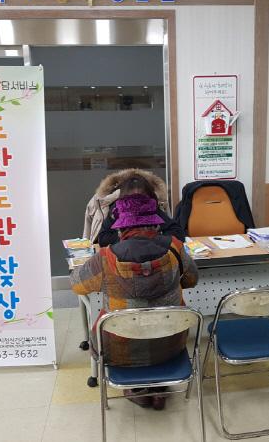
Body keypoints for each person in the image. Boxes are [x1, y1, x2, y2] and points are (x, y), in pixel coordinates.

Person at [71, 189, 198, 410]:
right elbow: (192, 280)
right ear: (155, 224)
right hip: (171, 342)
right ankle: (158, 389)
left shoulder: (105, 258)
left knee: (122, 332)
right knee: (158, 333)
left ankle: (136, 389)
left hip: (119, 349)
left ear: (120, 228)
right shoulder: (175, 248)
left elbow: (77, 286)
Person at [82, 168, 185, 246]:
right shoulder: (116, 210)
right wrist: (129, 238)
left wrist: (152, 237)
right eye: (131, 198)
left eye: (141, 198)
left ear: (149, 197)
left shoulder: (152, 208)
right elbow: (103, 238)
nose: (136, 202)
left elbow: (177, 233)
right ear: (123, 198)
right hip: (121, 255)